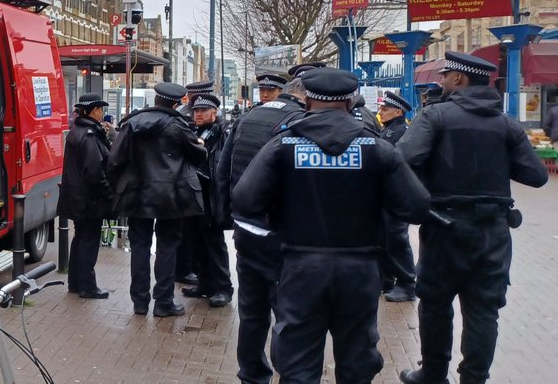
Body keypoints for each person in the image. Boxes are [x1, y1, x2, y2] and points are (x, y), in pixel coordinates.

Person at [234, 68, 430, 384]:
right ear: (350, 102)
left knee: (297, 363)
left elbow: (244, 201)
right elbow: (417, 207)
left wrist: (280, 209)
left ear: (308, 100)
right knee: (357, 361)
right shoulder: (377, 148)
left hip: (300, 268)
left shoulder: (283, 146)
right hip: (360, 269)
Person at [397, 51, 548, 384]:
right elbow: (537, 176)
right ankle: (474, 379)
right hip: (493, 231)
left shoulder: (435, 116)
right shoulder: (506, 124)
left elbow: (403, 158)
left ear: (459, 79)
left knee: (435, 304)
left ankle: (433, 374)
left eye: (445, 76)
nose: (441, 81)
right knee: (484, 309)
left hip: (444, 227)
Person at [215, 74, 307, 384]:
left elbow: (224, 169)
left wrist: (227, 216)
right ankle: (290, 375)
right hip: (280, 232)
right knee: (288, 313)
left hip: (246, 229)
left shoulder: (248, 117)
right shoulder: (299, 122)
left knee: (252, 312)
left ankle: (252, 375)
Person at [107, 82, 206, 317]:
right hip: (170, 195)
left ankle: (140, 302)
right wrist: (200, 145)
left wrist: (120, 185)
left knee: (139, 247)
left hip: (136, 194)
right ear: (176, 103)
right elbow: (199, 156)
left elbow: (114, 161)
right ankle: (163, 302)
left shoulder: (132, 124)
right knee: (167, 248)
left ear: (156, 100)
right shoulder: (178, 127)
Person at [57, 93, 114, 299]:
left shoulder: (77, 130)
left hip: (78, 197)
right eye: (100, 109)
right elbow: (94, 172)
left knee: (80, 239)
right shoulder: (89, 135)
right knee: (88, 241)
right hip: (89, 199)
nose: (102, 113)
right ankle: (88, 286)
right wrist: (108, 193)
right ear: (94, 111)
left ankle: (75, 282)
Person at [181, 93, 233, 308]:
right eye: (196, 111)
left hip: (212, 195)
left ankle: (223, 288)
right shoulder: (193, 131)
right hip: (193, 195)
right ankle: (204, 283)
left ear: (214, 112)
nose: (198, 114)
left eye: (203, 111)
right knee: (196, 241)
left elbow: (224, 166)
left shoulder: (223, 133)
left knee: (214, 243)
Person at [378, 91, 417, 302]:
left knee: (397, 239)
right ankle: (386, 280)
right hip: (387, 195)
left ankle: (407, 283)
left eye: (385, 109)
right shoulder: (388, 130)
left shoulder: (401, 132)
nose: (381, 112)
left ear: (398, 112)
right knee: (385, 239)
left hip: (397, 195)